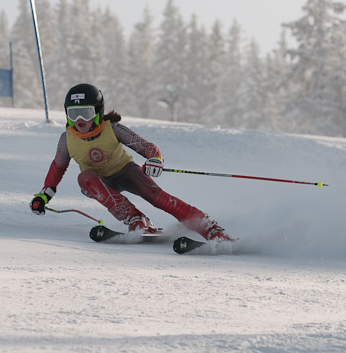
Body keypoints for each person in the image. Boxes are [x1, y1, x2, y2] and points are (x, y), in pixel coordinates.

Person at [30, 83, 233, 242]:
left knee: (157, 197)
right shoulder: (66, 139)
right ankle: (136, 219)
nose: (80, 120)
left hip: (126, 172)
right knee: (85, 178)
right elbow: (57, 168)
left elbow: (147, 147)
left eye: (86, 113)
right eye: (73, 114)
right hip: (100, 182)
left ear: (99, 113)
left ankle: (210, 228)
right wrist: (44, 196)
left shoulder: (113, 129)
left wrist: (155, 159)